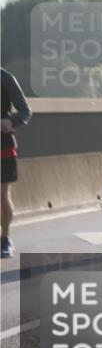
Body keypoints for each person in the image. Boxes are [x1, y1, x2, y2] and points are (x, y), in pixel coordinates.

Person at [1, 68, 32, 259]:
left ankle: (5, 238)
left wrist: (10, 121)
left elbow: (25, 110)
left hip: (2, 144)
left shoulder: (5, 78)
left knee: (1, 194)